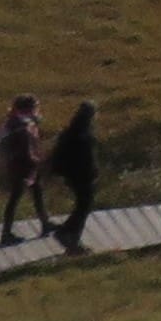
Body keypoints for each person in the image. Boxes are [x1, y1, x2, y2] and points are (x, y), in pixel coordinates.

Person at [0, 94, 53, 245]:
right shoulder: (23, 125)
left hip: (17, 165)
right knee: (16, 197)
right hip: (23, 166)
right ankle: (6, 234)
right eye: (35, 107)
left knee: (36, 192)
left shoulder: (13, 123)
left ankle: (45, 224)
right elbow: (26, 149)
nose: (37, 110)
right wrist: (38, 162)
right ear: (29, 109)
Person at [48, 100, 102, 251]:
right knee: (84, 206)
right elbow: (87, 157)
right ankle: (71, 237)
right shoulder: (84, 133)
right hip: (82, 175)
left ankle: (69, 234)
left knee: (82, 205)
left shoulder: (71, 130)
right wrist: (93, 172)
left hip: (72, 174)